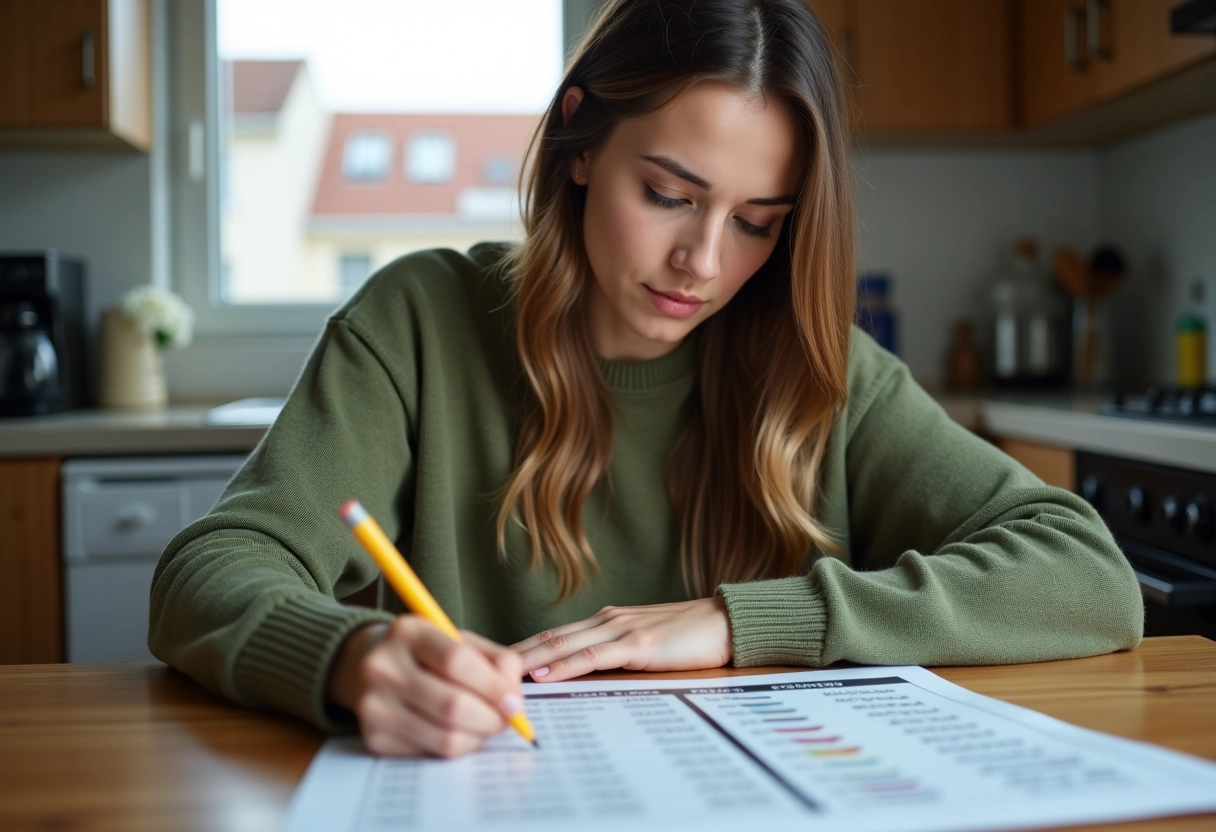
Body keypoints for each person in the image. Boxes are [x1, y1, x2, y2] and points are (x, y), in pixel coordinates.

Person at [148, 0, 1143, 760]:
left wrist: (739, 621)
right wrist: (346, 656)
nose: (703, 263)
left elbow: (1085, 574)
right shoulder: (417, 321)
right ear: (580, 142)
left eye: (758, 220)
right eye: (669, 195)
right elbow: (213, 567)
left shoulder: (820, 369)